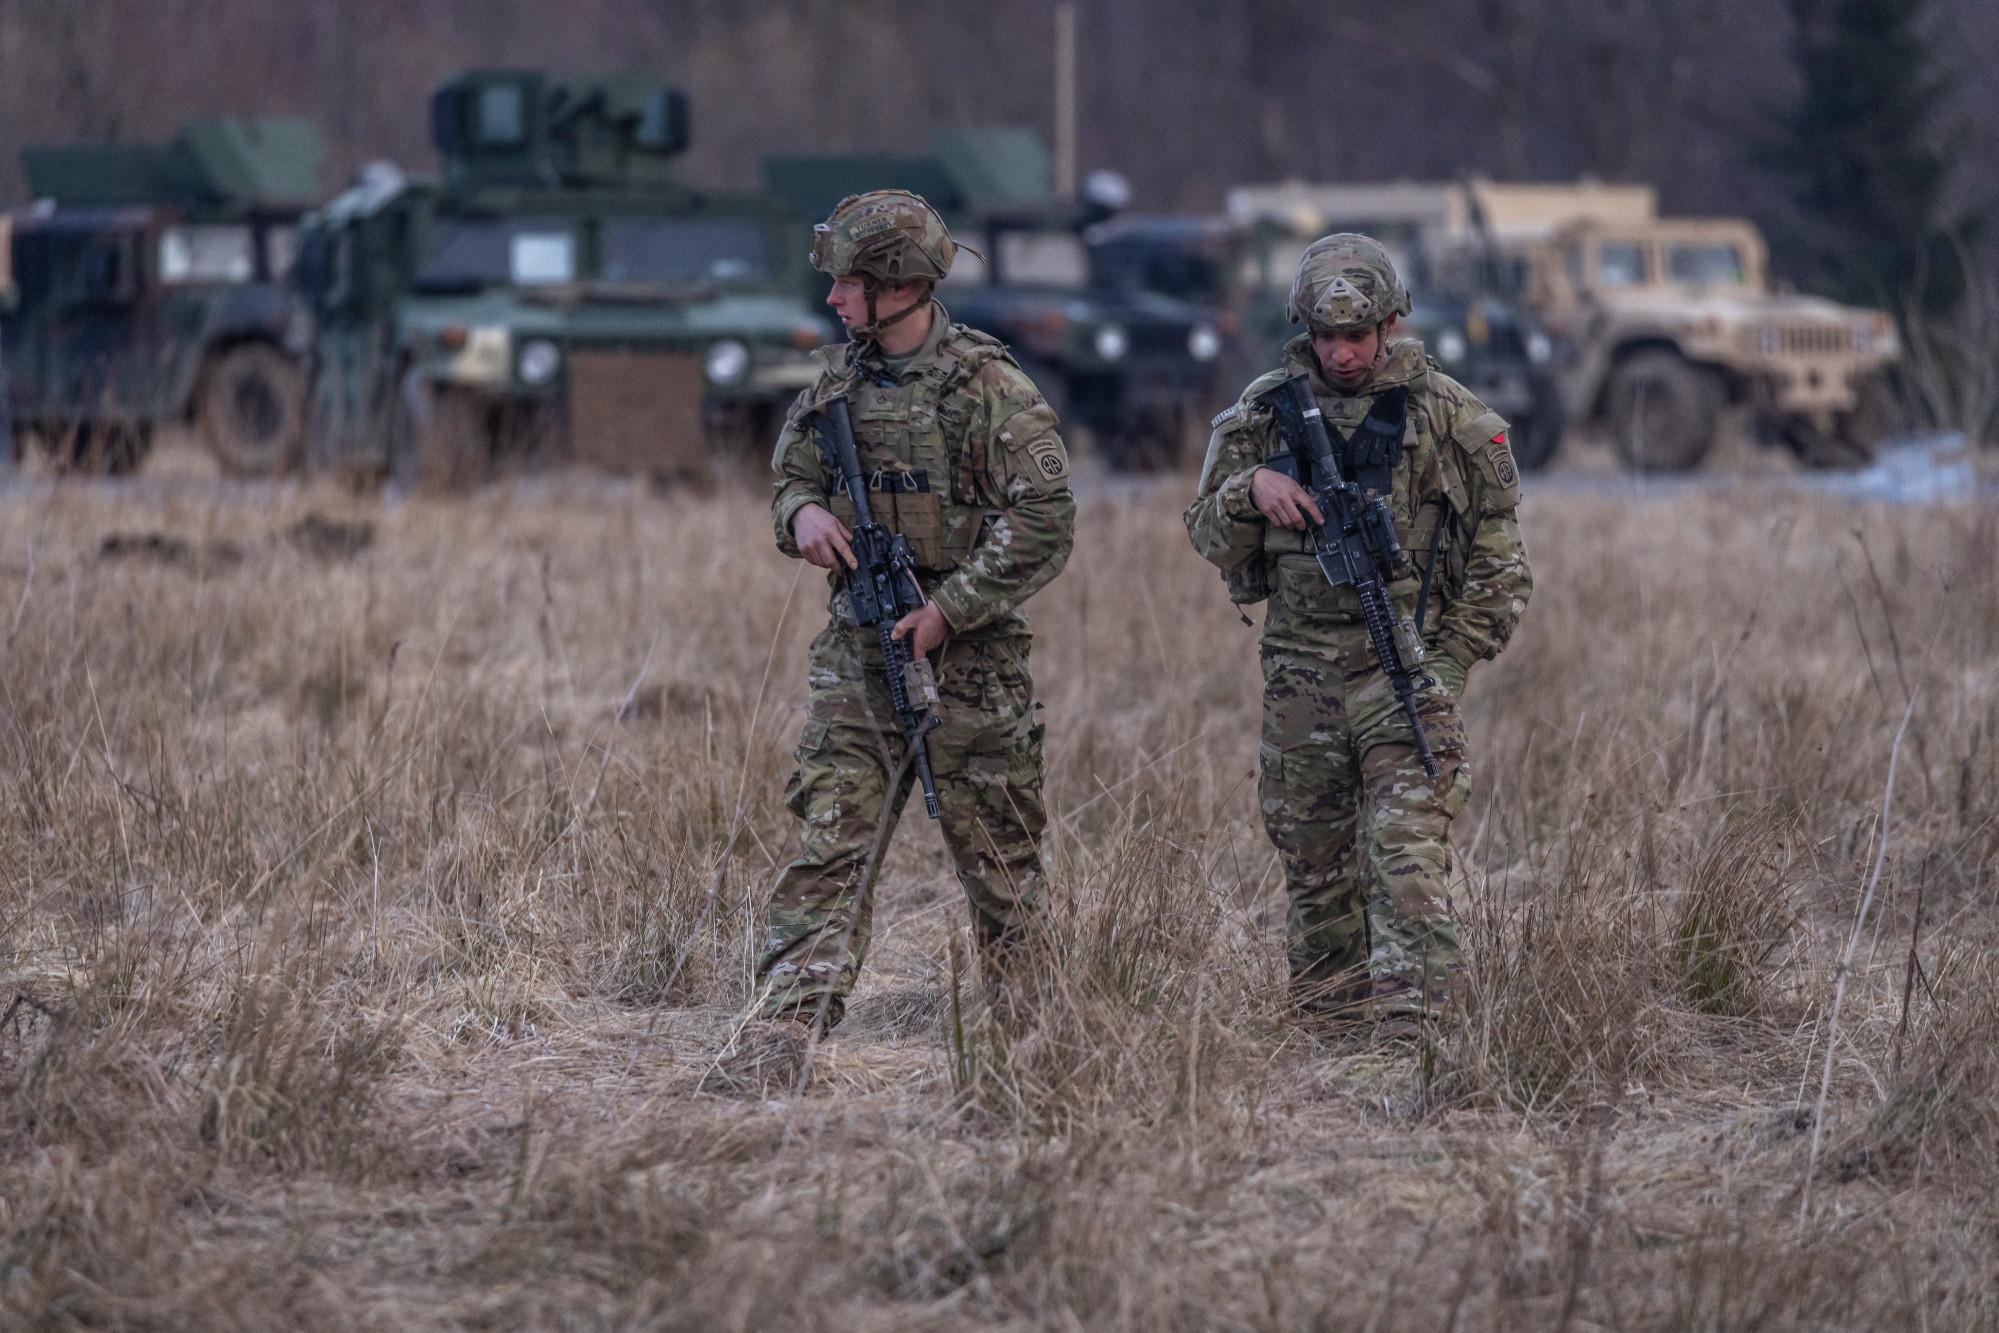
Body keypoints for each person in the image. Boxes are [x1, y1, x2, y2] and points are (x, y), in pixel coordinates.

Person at [1184, 233, 1532, 1032]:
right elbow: (1204, 532)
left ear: (1389, 327)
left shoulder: (1447, 415)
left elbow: (1501, 564)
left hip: (1401, 673)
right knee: (1313, 864)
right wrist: (1251, 490)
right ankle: (1327, 1028)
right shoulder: (1261, 413)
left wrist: (1442, 666)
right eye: (1326, 337)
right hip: (1300, 677)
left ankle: (1417, 1033)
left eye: (1357, 336)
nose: (1341, 354)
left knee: (1406, 857)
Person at [755, 190, 1076, 1034]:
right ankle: (790, 1021)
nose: (832, 299)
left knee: (1000, 863)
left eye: (847, 283)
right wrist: (803, 517)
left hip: (969, 666)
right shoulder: (837, 383)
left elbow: (1046, 519)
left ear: (895, 284)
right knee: (828, 842)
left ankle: (1030, 1031)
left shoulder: (988, 387)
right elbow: (790, 477)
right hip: (859, 652)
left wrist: (950, 609)